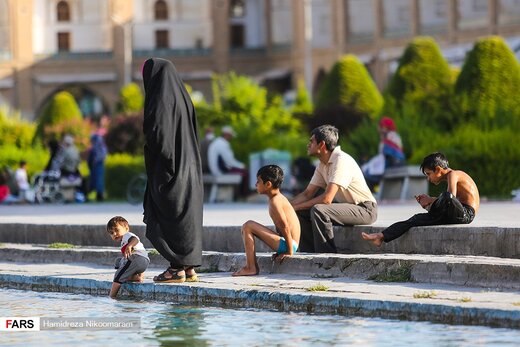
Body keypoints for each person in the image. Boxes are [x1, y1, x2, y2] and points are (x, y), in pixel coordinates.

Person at [142, 57, 203, 283]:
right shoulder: (184, 98)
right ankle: (188, 267)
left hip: (169, 168)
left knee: (166, 215)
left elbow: (156, 132)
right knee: (185, 214)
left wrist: (162, 159)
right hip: (190, 167)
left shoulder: (160, 99)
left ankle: (176, 268)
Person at [290, 124, 377, 253]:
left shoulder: (341, 160)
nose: (308, 145)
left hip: (365, 209)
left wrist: (296, 206)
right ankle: (309, 253)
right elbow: (308, 194)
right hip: (344, 208)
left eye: (311, 141)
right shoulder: (322, 164)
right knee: (299, 213)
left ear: (322, 145)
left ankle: (326, 256)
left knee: (319, 210)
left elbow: (327, 199)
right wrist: (285, 207)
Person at [362, 152, 479, 246]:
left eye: (428, 174)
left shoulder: (453, 174)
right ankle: (381, 236)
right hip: (456, 212)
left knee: (445, 196)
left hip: (466, 213)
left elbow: (450, 198)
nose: (428, 179)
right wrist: (430, 201)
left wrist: (431, 200)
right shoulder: (448, 177)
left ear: (438, 169)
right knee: (415, 219)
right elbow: (449, 202)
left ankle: (430, 207)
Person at [233, 165, 301, 276]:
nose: (256, 184)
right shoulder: (277, 198)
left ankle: (251, 267)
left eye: (258, 181)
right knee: (248, 225)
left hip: (290, 244)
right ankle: (251, 266)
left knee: (248, 226)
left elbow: (285, 226)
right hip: (288, 243)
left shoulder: (275, 201)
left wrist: (289, 251)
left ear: (268, 184)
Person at [107, 216, 150, 299]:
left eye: (116, 230)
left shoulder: (127, 235)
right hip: (144, 262)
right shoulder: (123, 241)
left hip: (137, 259)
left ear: (126, 228)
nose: (114, 234)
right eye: (111, 233)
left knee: (118, 276)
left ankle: (111, 297)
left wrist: (130, 246)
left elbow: (135, 239)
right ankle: (137, 277)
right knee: (119, 261)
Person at [362, 116, 405, 191]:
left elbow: (391, 155)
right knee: (367, 171)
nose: (378, 128)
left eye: (381, 126)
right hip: (388, 163)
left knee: (367, 174)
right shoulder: (388, 137)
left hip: (390, 164)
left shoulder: (391, 136)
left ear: (385, 127)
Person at [207, 125, 248, 197]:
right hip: (219, 171)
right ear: (227, 135)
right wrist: (242, 166)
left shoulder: (218, 142)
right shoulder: (222, 144)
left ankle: (241, 195)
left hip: (216, 169)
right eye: (231, 135)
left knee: (242, 171)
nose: (231, 137)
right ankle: (244, 195)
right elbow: (230, 162)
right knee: (245, 173)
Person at [87, 133, 108, 201]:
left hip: (99, 165)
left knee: (99, 180)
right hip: (95, 166)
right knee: (94, 180)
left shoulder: (100, 146)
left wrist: (96, 160)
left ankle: (100, 196)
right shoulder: (96, 146)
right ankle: (96, 195)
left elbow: (102, 156)